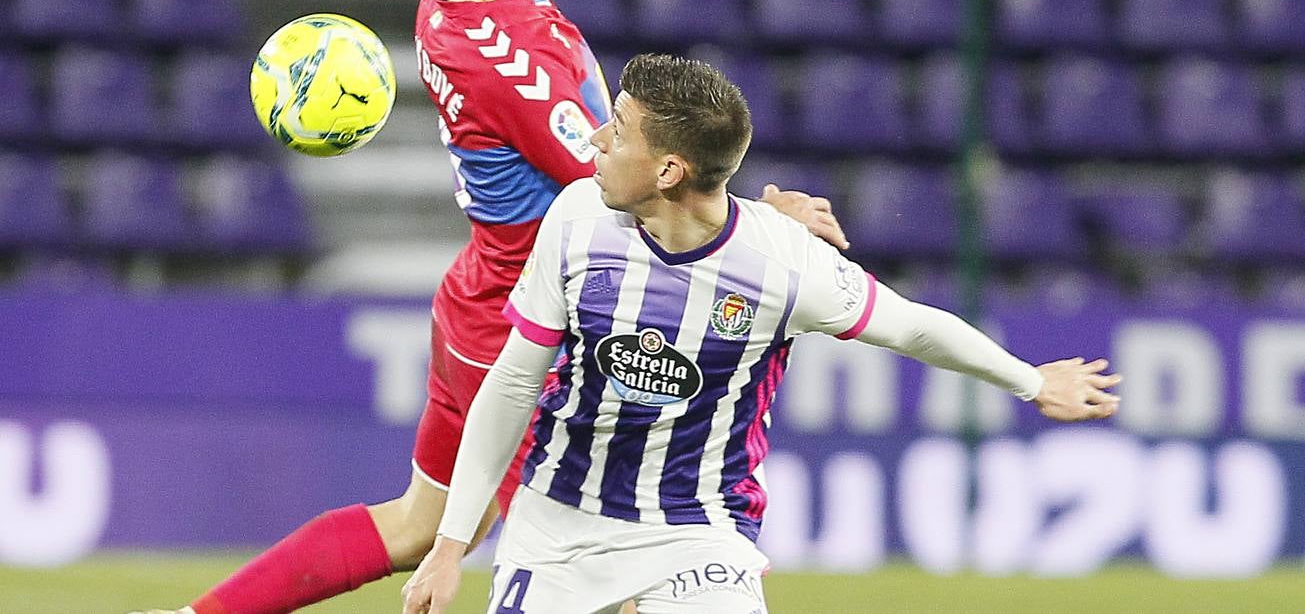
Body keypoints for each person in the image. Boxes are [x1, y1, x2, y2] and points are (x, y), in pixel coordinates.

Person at [135, 0, 845, 614]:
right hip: (531, 333)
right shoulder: (513, 68)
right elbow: (621, 191)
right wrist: (767, 222)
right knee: (600, 562)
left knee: (417, 527)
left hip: (478, 302)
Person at [400, 53, 1123, 614]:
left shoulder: (782, 262)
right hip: (555, 520)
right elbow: (516, 380)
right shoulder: (576, 217)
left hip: (696, 529)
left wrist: (1032, 382)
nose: (593, 140)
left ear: (669, 169)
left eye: (616, 131)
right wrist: (450, 546)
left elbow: (914, 328)